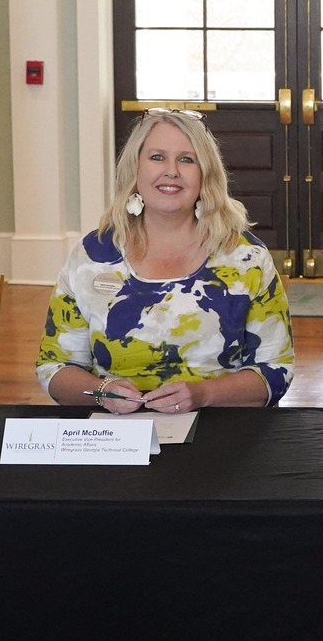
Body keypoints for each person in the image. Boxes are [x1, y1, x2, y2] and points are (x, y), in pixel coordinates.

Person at [39, 109, 292, 413]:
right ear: (135, 168)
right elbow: (54, 367)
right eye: (157, 157)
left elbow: (275, 371)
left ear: (206, 173)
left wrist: (202, 394)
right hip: (116, 435)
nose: (171, 171)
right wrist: (101, 392)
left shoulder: (246, 259)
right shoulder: (92, 255)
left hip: (220, 430)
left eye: (187, 159)